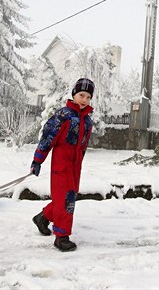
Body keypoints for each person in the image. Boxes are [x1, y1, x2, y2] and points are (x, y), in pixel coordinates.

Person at [30, 78, 95, 252]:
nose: (84, 100)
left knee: (67, 198)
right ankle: (62, 237)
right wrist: (38, 160)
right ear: (74, 94)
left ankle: (43, 217)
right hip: (61, 165)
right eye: (81, 95)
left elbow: (83, 146)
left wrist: (79, 161)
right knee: (66, 200)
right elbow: (47, 138)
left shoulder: (87, 122)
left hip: (75, 167)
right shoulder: (63, 116)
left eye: (88, 97)